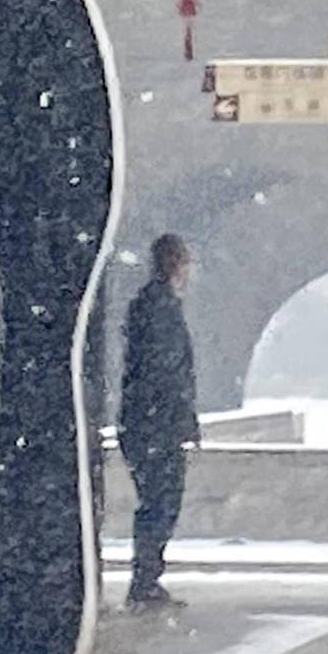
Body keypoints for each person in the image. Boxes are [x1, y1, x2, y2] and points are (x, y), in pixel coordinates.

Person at [118, 233, 199, 608]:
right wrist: (180, 422)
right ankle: (145, 580)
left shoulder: (151, 305)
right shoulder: (161, 309)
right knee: (161, 502)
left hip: (145, 422)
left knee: (157, 501)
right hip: (155, 426)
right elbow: (168, 373)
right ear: (176, 265)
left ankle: (147, 577)